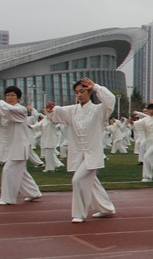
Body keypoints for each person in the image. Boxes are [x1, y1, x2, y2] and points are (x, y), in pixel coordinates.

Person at [46, 78, 117, 223]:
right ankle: (106, 208)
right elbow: (56, 114)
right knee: (92, 183)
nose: (79, 95)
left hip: (93, 153)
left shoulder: (99, 110)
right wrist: (50, 111)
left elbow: (110, 100)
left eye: (82, 91)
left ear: (90, 92)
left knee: (78, 180)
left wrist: (96, 86)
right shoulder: (72, 110)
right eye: (77, 92)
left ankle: (79, 214)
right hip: (78, 153)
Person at [0, 86, 42, 205]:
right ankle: (33, 193)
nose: (9, 98)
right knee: (21, 173)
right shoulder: (2, 110)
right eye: (7, 95)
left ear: (18, 98)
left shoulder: (21, 110)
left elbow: (8, 111)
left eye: (12, 95)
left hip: (19, 146)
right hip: (8, 145)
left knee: (9, 170)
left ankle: (7, 198)